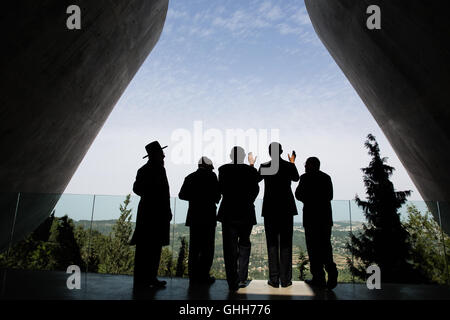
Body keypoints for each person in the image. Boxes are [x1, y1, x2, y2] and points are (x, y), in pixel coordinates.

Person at [130, 141, 172, 290]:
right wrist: (166, 210)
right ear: (157, 155)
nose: (164, 155)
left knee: (144, 249)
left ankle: (141, 280)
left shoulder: (143, 170)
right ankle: (150, 278)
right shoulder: (159, 170)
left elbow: (137, 189)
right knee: (154, 249)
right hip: (157, 215)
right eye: (161, 153)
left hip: (146, 214)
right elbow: (164, 193)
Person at [256, 142, 299, 288]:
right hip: (286, 209)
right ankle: (286, 280)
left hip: (270, 209)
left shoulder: (265, 166)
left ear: (269, 152)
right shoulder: (288, 166)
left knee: (272, 245)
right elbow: (296, 178)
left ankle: (274, 280)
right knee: (286, 244)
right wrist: (292, 162)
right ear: (281, 151)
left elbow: (255, 179)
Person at [217, 146, 260, 291]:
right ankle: (242, 279)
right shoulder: (251, 171)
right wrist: (248, 201)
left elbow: (220, 189)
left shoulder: (223, 170)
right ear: (243, 157)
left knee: (229, 249)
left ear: (230, 156)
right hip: (246, 213)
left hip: (228, 214)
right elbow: (255, 189)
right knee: (244, 245)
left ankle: (232, 282)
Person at [295, 157, 338, 289]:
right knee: (326, 247)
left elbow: (298, 195)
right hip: (325, 218)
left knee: (313, 249)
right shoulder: (326, 177)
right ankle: (331, 273)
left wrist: (309, 200)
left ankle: (318, 278)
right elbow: (330, 196)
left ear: (310, 165)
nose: (305, 166)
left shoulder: (305, 178)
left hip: (310, 218)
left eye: (306, 164)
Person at [178, 156, 221, 285]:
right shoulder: (212, 177)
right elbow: (217, 196)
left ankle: (193, 277)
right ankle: (204, 276)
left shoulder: (190, 177)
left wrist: (195, 197)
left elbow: (182, 195)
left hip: (194, 217)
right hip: (208, 217)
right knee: (207, 249)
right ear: (208, 166)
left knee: (194, 248)